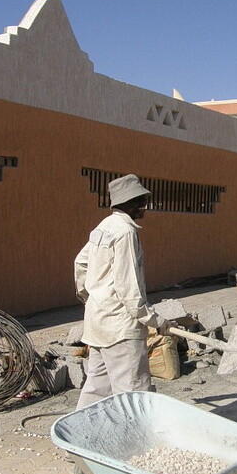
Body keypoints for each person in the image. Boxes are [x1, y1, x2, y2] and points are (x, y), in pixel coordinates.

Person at [73, 174, 170, 410]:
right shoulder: (126, 232)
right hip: (121, 329)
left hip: (98, 323)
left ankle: (78, 439)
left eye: (144, 200)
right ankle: (136, 443)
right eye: (139, 201)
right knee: (132, 392)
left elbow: (80, 263)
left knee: (97, 388)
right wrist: (154, 320)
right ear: (124, 203)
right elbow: (129, 289)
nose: (144, 206)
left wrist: (92, 299)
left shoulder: (103, 227)